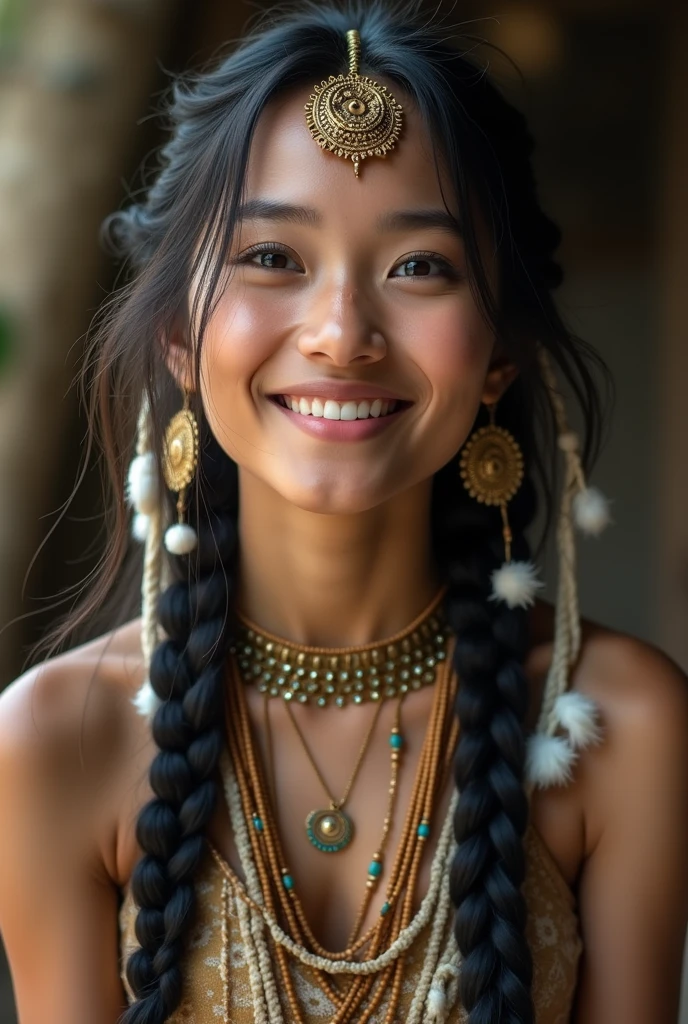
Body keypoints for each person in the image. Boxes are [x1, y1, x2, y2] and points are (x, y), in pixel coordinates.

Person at [0, 2, 686, 1022]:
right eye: (272, 256)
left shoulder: (618, 729)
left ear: (499, 355)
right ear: (183, 344)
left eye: (420, 266)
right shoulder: (58, 741)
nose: (341, 333)